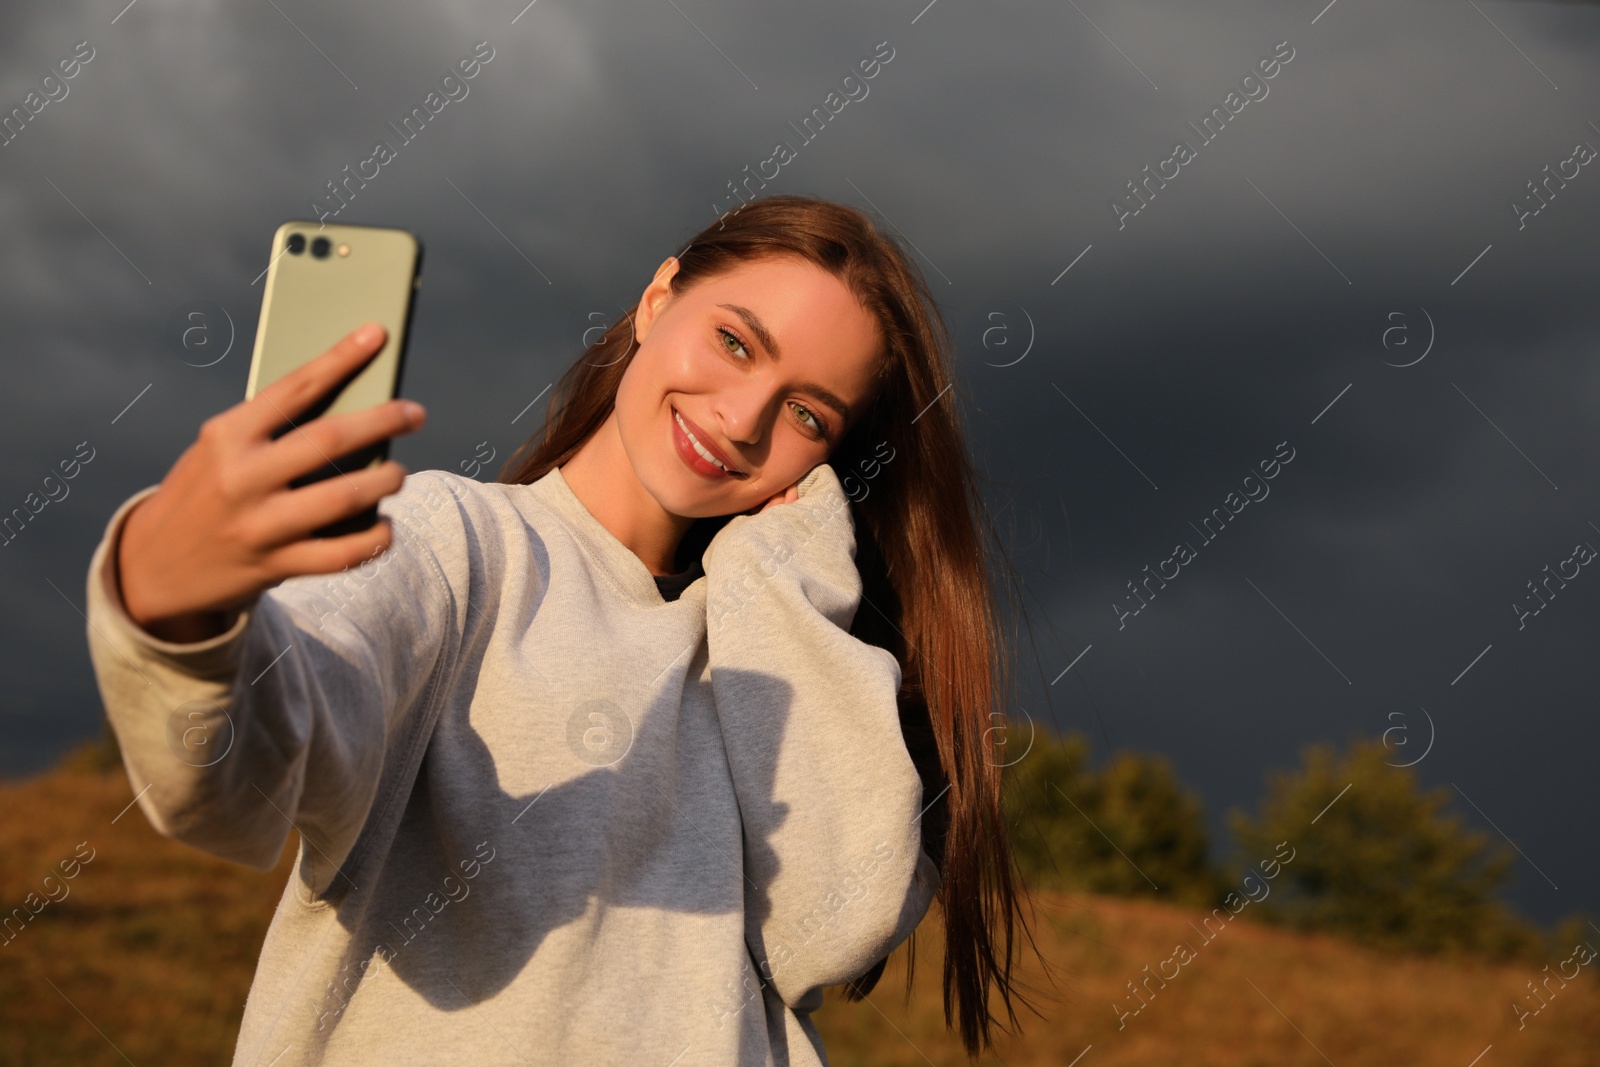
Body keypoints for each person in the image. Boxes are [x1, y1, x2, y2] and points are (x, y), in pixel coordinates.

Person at [84, 194, 1038, 1065]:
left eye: (806, 414)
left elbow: (840, 925)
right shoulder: (454, 545)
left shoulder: (785, 638)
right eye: (737, 343)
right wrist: (176, 611)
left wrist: (783, 572)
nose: (744, 419)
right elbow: (236, 780)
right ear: (658, 298)